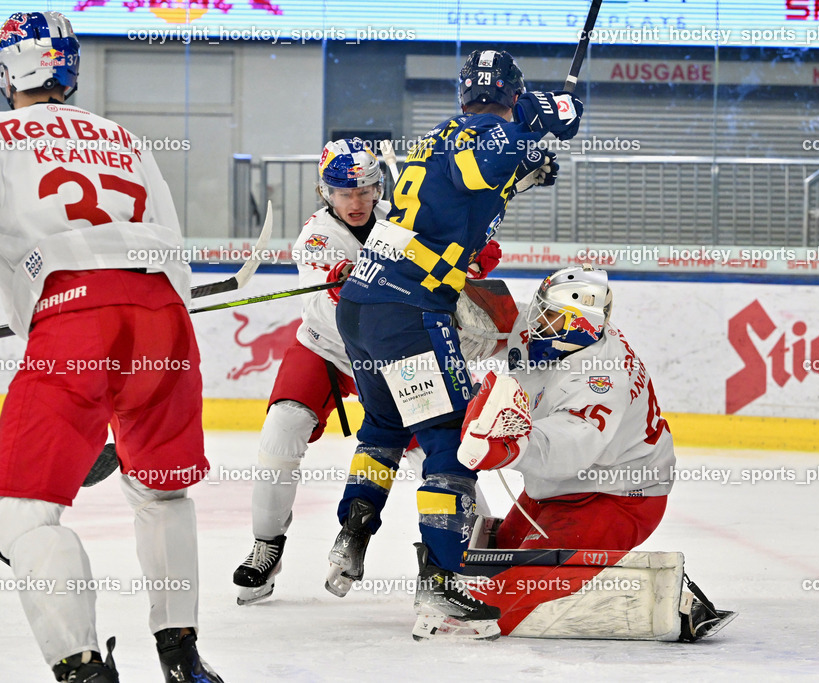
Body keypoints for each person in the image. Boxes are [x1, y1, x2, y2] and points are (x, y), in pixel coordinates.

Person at [0, 12, 221, 682]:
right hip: (163, 317)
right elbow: (172, 244)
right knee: (161, 494)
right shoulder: (122, 136)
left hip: (75, 319)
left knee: (26, 514)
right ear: (68, 69)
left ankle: (83, 668)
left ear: (7, 70)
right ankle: (182, 656)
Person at [326, 48, 583, 640]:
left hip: (363, 307)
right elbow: (484, 158)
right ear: (512, 95)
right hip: (410, 310)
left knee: (384, 429)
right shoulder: (488, 134)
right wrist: (545, 119)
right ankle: (440, 582)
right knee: (450, 439)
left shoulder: (443, 134)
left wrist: (526, 159)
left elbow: (472, 182)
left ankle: (352, 535)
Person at [456, 265, 734, 641]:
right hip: (559, 487)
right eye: (541, 308)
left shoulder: (600, 378)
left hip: (616, 497)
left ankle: (670, 603)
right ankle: (587, 575)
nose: (536, 321)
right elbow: (499, 319)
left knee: (495, 610)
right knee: (485, 570)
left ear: (580, 324)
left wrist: (511, 448)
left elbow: (572, 444)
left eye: (550, 316)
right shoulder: (559, 332)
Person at [232, 138, 391, 605]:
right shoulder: (316, 238)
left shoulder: (401, 223)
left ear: (377, 189)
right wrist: (348, 280)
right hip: (326, 348)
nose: (355, 202)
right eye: (344, 193)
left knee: (435, 448)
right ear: (326, 193)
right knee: (282, 428)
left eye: (363, 191)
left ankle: (465, 546)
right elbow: (324, 303)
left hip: (389, 356)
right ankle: (266, 545)